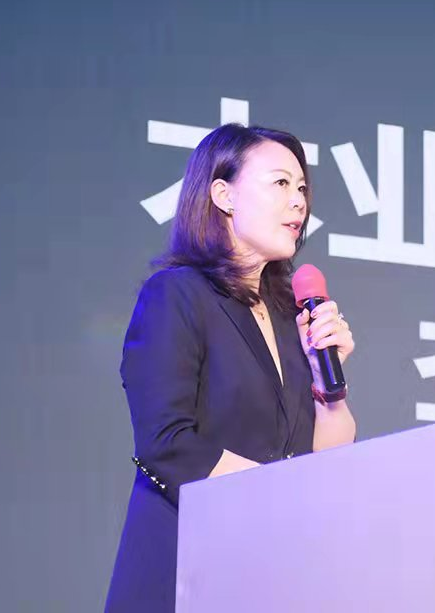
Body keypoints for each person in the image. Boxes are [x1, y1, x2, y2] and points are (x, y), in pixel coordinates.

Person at [105, 124, 356, 612]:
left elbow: (322, 465)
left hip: (266, 574)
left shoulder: (288, 316)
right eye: (280, 183)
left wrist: (329, 387)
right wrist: (277, 495)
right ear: (223, 195)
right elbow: (166, 443)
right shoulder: (177, 294)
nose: (299, 201)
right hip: (184, 569)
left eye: (302, 188)